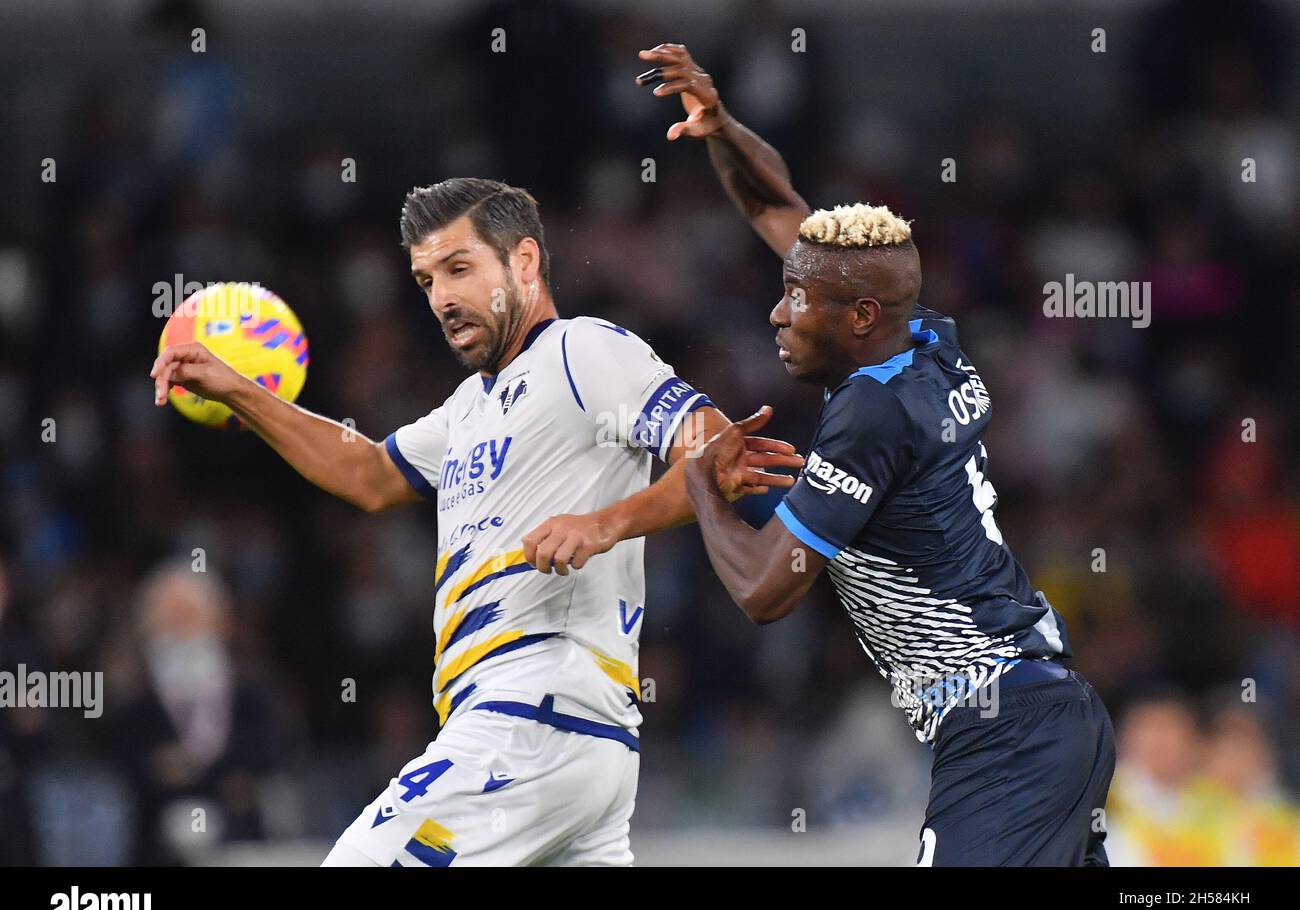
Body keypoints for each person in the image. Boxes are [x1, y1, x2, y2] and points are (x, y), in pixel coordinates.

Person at [150, 177, 801, 865]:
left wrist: (607, 522)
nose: (442, 299)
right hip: (566, 739)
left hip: (535, 709)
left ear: (524, 261)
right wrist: (241, 392)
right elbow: (368, 475)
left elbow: (715, 452)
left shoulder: (583, 351)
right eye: (427, 279)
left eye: (459, 269)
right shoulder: (466, 408)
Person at [637, 42, 1116, 866]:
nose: (778, 315)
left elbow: (763, 591)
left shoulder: (871, 410)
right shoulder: (924, 339)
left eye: (797, 300)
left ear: (858, 317)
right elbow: (780, 207)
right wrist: (721, 130)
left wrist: (700, 484)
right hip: (1043, 714)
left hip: (1003, 730)